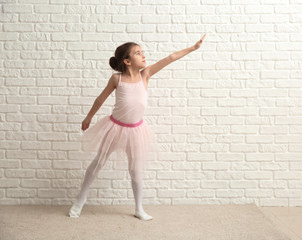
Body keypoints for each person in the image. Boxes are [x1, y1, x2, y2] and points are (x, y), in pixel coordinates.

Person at [69, 34, 207, 221]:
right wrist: (89, 117)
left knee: (136, 169)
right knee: (98, 162)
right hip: (115, 128)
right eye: (138, 53)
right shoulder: (117, 79)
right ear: (127, 61)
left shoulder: (146, 75)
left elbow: (170, 58)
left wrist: (193, 47)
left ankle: (139, 207)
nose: (143, 55)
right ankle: (80, 199)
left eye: (142, 52)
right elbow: (100, 98)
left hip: (136, 131)